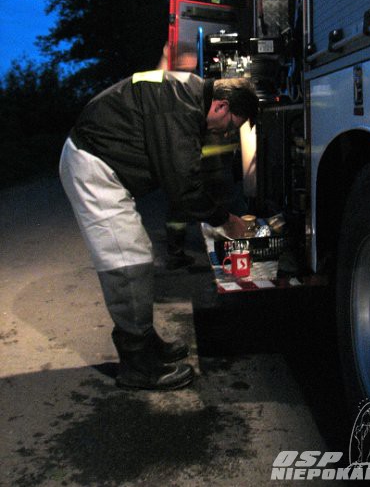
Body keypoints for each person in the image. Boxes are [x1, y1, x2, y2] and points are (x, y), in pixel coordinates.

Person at [59, 70, 258, 391]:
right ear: (221, 106)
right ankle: (137, 366)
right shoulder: (180, 108)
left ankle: (145, 340)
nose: (225, 134)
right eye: (231, 126)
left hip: (100, 162)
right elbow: (183, 187)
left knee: (137, 251)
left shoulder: (187, 95)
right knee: (127, 259)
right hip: (93, 167)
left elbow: (186, 172)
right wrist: (226, 220)